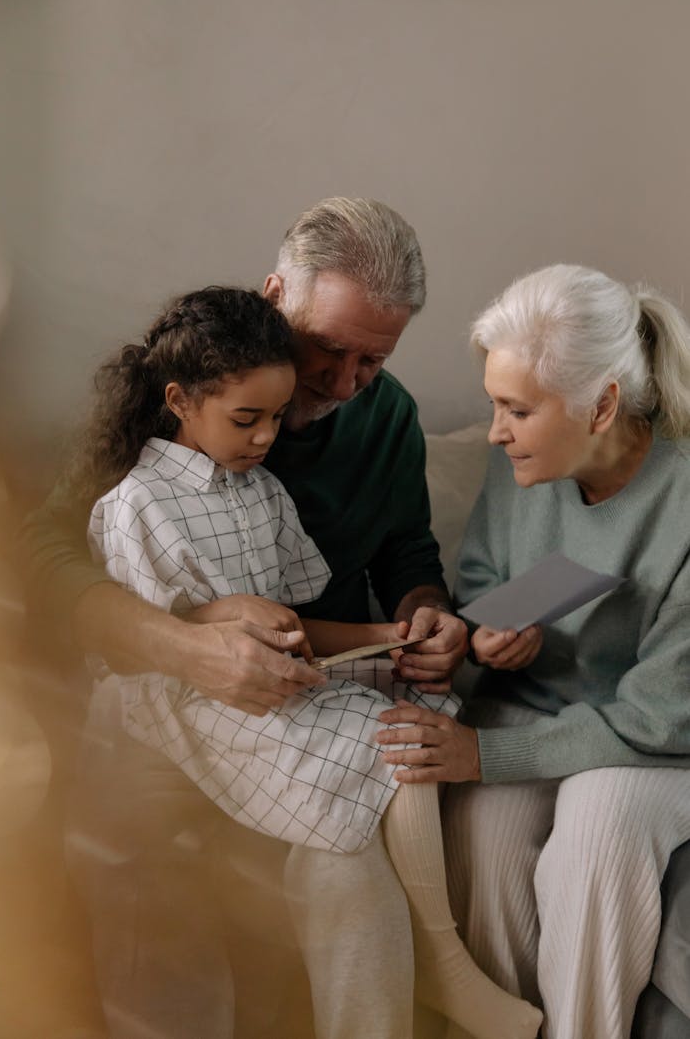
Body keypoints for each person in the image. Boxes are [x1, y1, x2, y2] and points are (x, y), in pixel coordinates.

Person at [22, 198, 469, 1039]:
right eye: (327, 349)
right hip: (159, 703)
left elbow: (408, 556)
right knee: (138, 853)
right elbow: (43, 552)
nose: (342, 383)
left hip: (300, 696)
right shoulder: (179, 399)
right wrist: (187, 647)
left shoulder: (387, 417)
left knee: (354, 868)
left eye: (371, 360)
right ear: (275, 299)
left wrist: (424, 617)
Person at [82, 283, 541, 1039]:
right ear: (181, 400)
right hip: (184, 697)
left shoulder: (262, 486)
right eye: (247, 420)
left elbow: (303, 617)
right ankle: (448, 967)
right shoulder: (136, 501)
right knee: (385, 749)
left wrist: (400, 637)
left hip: (282, 687)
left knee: (407, 730)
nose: (268, 437)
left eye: (375, 360)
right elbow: (140, 626)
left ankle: (432, 977)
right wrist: (217, 619)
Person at [376, 263, 690, 1039]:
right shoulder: (521, 464)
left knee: (599, 819)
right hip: (541, 713)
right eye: (493, 405)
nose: (494, 430)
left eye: (517, 409)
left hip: (659, 745)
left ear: (603, 403)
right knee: (483, 823)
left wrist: (481, 754)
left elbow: (660, 718)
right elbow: (483, 578)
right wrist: (483, 636)